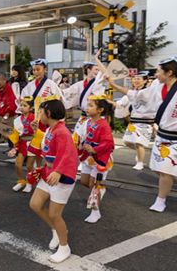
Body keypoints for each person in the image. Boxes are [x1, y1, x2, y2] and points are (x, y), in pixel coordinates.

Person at [106, 57, 177, 212]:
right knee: (159, 169)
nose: (156, 74)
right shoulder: (158, 89)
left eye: (158, 71)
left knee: (165, 170)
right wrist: (113, 85)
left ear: (169, 72)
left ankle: (160, 200)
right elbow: (135, 95)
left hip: (175, 137)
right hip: (162, 135)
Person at [28, 95, 78, 263]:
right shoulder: (52, 128)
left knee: (55, 214)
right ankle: (56, 230)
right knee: (35, 204)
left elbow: (69, 154)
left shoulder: (62, 131)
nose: (39, 115)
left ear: (48, 113)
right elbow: (47, 145)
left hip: (60, 176)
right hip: (50, 172)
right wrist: (37, 131)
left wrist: (58, 171)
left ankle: (65, 247)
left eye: (41, 112)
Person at [77, 95, 114, 223]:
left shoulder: (104, 125)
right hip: (88, 157)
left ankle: (95, 212)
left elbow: (108, 143)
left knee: (93, 185)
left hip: (99, 158)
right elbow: (79, 137)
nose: (87, 108)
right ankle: (99, 191)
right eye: (87, 105)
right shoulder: (86, 122)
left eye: (91, 106)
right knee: (84, 182)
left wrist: (95, 149)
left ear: (100, 110)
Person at [107, 71, 151, 170]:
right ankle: (140, 154)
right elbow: (120, 104)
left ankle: (140, 162)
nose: (136, 81)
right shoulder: (133, 92)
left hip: (144, 121)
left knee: (139, 143)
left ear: (145, 81)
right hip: (133, 121)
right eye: (135, 79)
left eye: (138, 79)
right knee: (127, 142)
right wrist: (108, 101)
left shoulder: (148, 92)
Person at [8, 96, 36, 193]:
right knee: (18, 164)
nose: (22, 107)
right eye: (21, 105)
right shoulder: (17, 119)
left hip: (32, 142)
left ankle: (29, 183)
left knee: (29, 165)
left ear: (31, 108)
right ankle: (21, 181)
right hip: (22, 143)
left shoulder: (35, 117)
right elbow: (16, 134)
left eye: (25, 105)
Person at [0, 72, 18, 161]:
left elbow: (11, 105)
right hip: (0, 116)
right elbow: (2, 103)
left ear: (5, 80)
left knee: (14, 137)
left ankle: (21, 155)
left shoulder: (10, 89)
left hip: (9, 118)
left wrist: (6, 117)